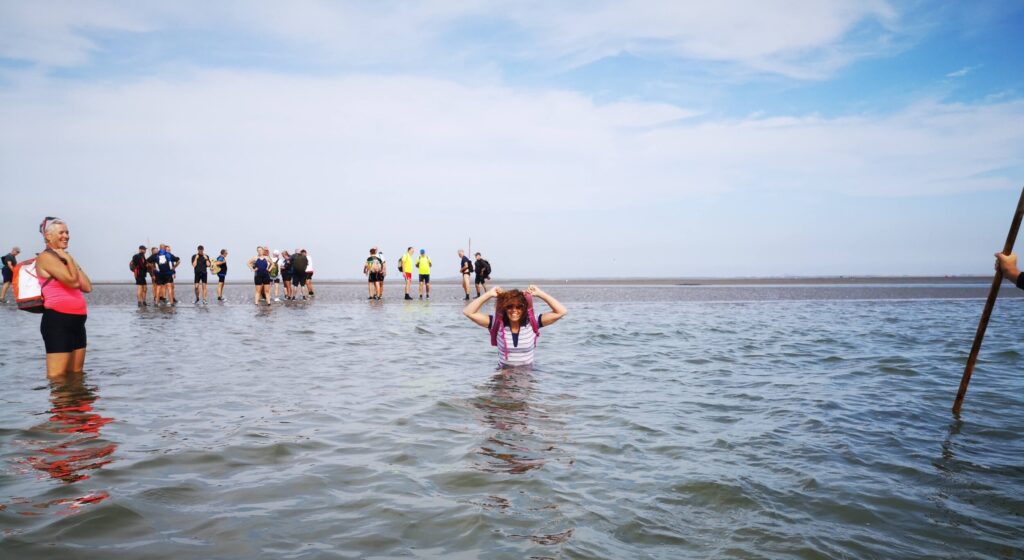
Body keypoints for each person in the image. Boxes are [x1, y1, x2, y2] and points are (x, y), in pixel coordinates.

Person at [34, 217, 92, 378]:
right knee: (58, 377)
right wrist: (67, 259)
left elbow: (87, 287)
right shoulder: (45, 258)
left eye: (67, 232)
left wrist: (70, 260)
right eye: (61, 232)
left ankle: (76, 403)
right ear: (48, 236)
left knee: (76, 376)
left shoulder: (66, 258)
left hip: (78, 322)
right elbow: (73, 282)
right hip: (58, 321)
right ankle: (61, 403)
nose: (66, 236)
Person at [463, 285, 566, 368]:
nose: (514, 310)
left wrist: (540, 294)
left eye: (519, 306)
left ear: (524, 308)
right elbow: (468, 312)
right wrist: (489, 294)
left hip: (527, 374)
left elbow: (561, 311)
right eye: (509, 306)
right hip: (503, 375)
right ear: (504, 308)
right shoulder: (497, 323)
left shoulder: (532, 321)